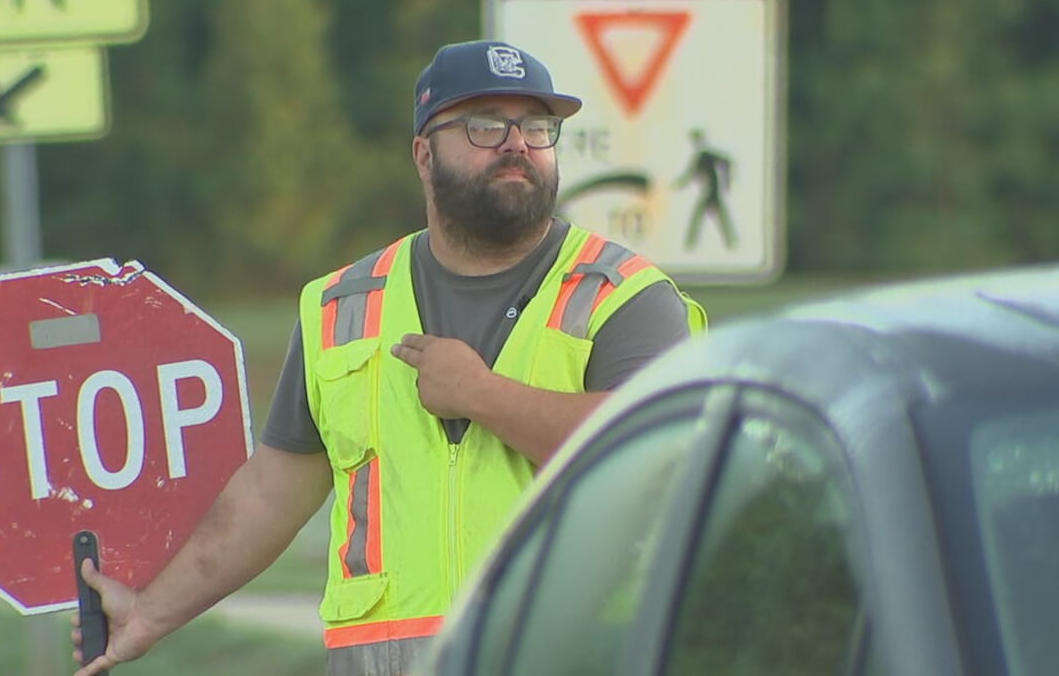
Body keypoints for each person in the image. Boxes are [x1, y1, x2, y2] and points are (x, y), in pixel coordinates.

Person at [71, 40, 706, 676]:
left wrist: (481, 394)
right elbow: (268, 495)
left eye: (537, 127)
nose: (517, 143)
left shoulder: (622, 294)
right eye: (486, 125)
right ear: (424, 155)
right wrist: (149, 613)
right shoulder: (342, 307)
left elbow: (654, 449)